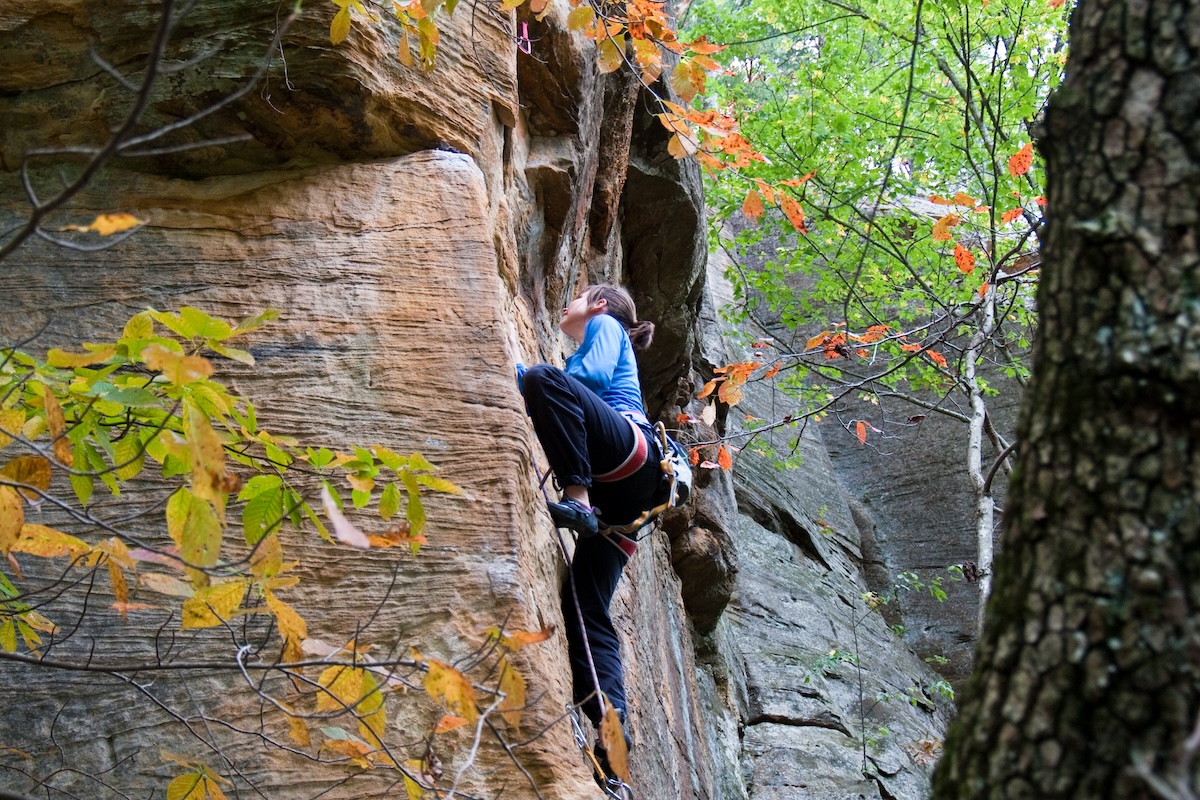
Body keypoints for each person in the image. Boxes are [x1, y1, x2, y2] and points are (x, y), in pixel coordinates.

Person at [515, 283, 660, 781]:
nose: (567, 303)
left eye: (577, 296)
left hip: (627, 458)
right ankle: (612, 748)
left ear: (599, 304)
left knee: (542, 377)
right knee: (587, 612)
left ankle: (576, 500)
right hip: (630, 503)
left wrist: (528, 383)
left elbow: (586, 377)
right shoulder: (605, 331)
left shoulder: (607, 326)